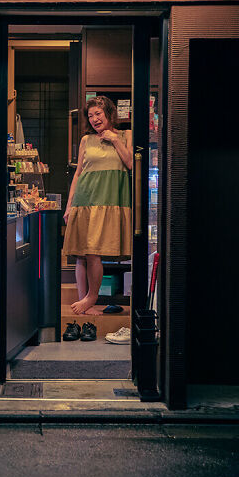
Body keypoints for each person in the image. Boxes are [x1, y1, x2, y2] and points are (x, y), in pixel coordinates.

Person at [62, 96, 134, 337]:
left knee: (93, 249)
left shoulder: (126, 135)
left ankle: (91, 297)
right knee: (83, 251)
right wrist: (70, 204)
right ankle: (86, 300)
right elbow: (78, 174)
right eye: (90, 116)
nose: (94, 119)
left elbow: (131, 164)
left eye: (98, 114)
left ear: (109, 114)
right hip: (86, 199)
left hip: (110, 200)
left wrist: (114, 139)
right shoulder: (86, 140)